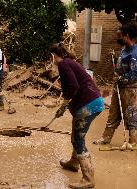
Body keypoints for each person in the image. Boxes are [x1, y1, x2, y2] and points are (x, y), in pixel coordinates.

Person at [50, 43, 104, 189]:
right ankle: (73, 163)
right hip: (94, 102)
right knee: (76, 135)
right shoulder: (70, 62)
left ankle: (88, 179)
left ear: (53, 56)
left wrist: (64, 103)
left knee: (78, 139)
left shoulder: (63, 64)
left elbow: (73, 86)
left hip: (88, 104)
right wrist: (67, 106)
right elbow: (76, 87)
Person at [93, 23, 137, 147]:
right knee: (114, 112)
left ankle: (132, 142)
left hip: (133, 88)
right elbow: (122, 66)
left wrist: (120, 77)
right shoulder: (124, 49)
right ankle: (106, 138)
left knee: (131, 113)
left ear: (127, 36)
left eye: (120, 36)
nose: (118, 38)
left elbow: (134, 75)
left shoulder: (136, 54)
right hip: (120, 85)